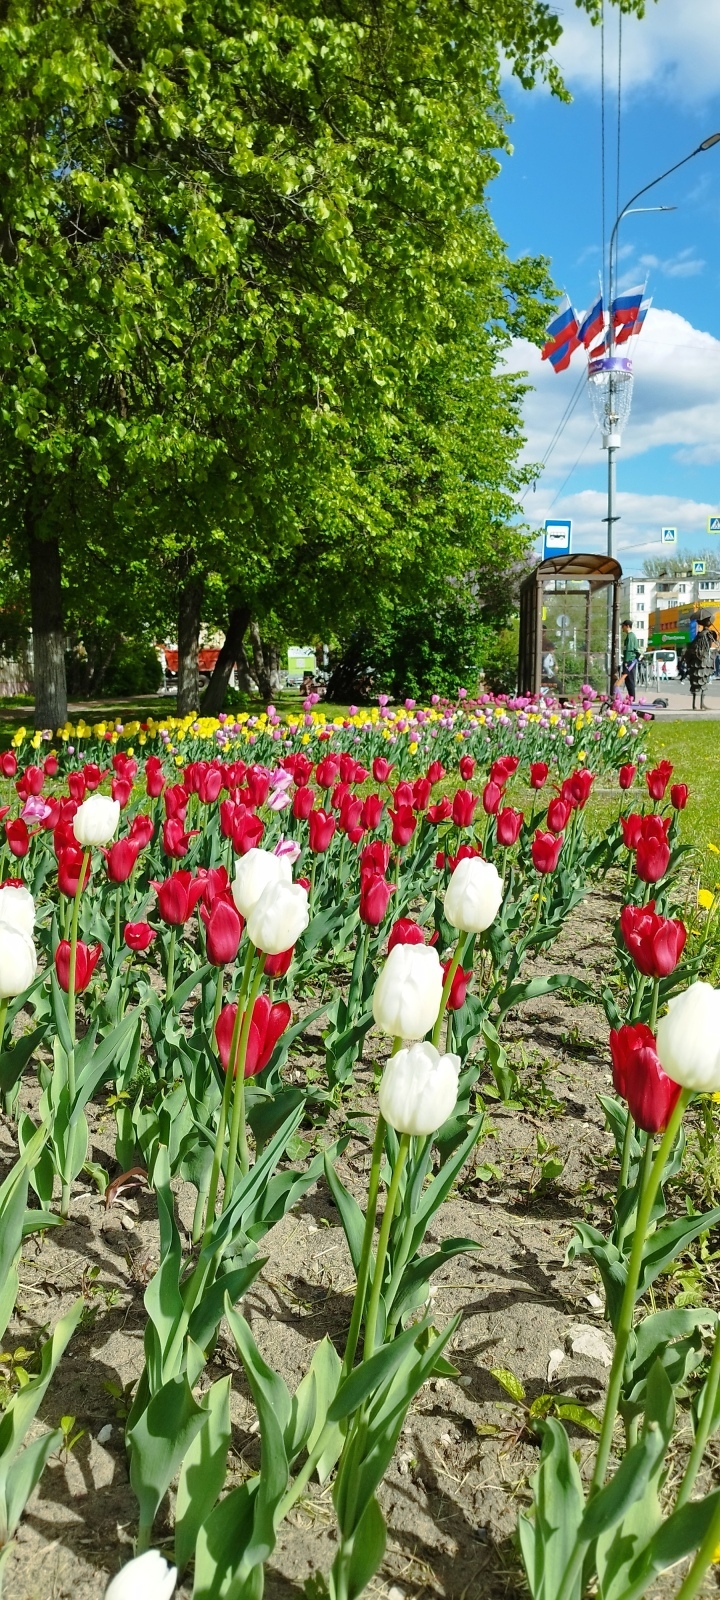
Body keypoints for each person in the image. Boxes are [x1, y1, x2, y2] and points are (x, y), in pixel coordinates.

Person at [620, 619, 640, 701]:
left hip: (630, 661)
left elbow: (629, 650)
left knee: (630, 680)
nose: (622, 628)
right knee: (627, 680)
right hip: (630, 660)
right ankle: (631, 698)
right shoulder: (630, 636)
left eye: (623, 626)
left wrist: (626, 661)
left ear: (627, 626)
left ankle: (632, 698)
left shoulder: (630, 636)